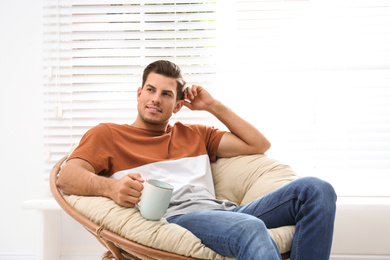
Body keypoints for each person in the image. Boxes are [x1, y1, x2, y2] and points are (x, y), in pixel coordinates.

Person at [58, 60, 337, 260]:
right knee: (250, 228)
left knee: (318, 190)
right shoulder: (108, 134)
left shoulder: (195, 134)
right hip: (179, 218)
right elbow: (67, 177)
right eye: (151, 90)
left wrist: (212, 106)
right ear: (139, 93)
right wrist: (111, 189)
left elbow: (258, 144)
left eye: (166, 94)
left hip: (226, 213)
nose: (156, 99)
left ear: (178, 105)